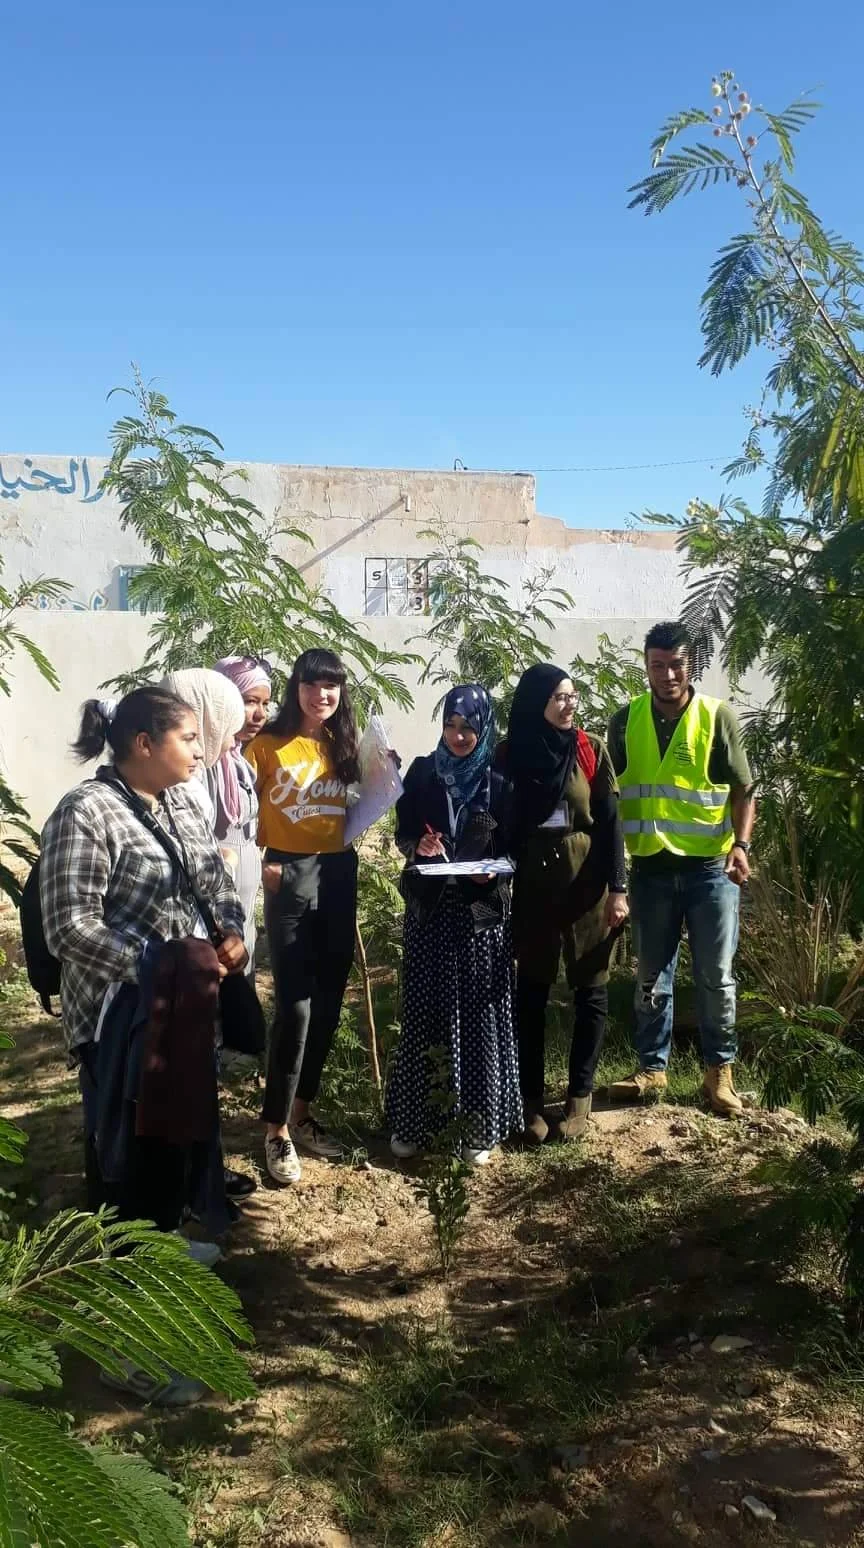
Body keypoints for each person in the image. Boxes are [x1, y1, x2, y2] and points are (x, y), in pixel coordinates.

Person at [39, 688, 247, 1405]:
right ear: (141, 744)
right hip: (122, 1022)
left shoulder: (182, 803)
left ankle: (159, 1245)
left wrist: (228, 930)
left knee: (173, 1148)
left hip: (183, 1014)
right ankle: (123, 1347)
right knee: (126, 1167)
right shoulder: (84, 813)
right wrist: (156, 965)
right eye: (188, 736)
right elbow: (69, 926)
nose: (200, 748)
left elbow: (215, 881)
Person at [606, 621, 756, 1117]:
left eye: (677, 665)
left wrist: (742, 845)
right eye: (657, 665)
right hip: (650, 871)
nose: (668, 674)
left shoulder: (718, 717)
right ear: (646, 666)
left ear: (691, 665)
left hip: (711, 872)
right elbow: (609, 792)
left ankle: (720, 1076)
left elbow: (743, 790)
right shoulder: (624, 722)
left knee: (717, 977)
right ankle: (652, 1069)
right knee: (651, 976)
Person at [386, 685, 521, 1166]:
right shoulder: (424, 773)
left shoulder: (498, 780)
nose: (459, 736)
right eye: (451, 725)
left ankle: (478, 1130)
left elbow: (515, 848)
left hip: (480, 918)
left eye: (468, 727)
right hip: (430, 911)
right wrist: (416, 848)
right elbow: (403, 832)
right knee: (426, 1011)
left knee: (478, 1014)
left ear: (483, 728)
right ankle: (415, 1124)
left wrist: (495, 865)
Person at [245, 647, 360, 1185]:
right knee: (294, 1006)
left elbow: (362, 803)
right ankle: (275, 1131)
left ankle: (302, 1111)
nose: (323, 695)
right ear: (297, 689)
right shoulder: (266, 747)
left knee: (331, 999)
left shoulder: (344, 744)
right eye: (313, 685)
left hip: (338, 873)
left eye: (332, 686)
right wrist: (259, 860)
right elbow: (238, 816)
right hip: (287, 876)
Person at [504, 664, 629, 1144]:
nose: (569, 704)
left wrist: (618, 888)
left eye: (572, 696)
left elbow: (612, 823)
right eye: (558, 697)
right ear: (536, 701)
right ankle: (531, 1102)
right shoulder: (512, 753)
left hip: (587, 886)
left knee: (590, 992)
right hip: (533, 890)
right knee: (530, 994)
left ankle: (579, 1100)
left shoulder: (589, 750)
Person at [211, 655, 273, 971]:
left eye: (265, 704)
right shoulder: (206, 765)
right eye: (250, 701)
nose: (259, 714)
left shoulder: (238, 760)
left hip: (243, 910)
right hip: (218, 913)